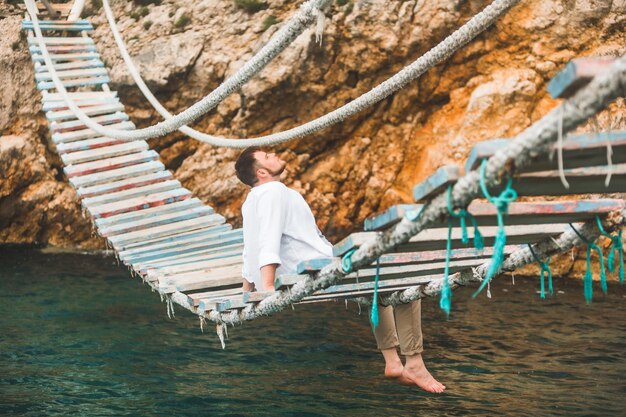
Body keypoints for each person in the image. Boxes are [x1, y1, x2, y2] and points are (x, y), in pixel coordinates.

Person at [234, 147, 445, 393]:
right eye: (268, 157)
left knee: (376, 286)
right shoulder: (274, 192)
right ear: (261, 172)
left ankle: (393, 363)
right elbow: (268, 239)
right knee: (405, 278)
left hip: (308, 270)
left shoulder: (252, 199)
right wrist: (269, 288)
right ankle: (415, 362)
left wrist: (248, 288)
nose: (274, 154)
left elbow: (250, 246)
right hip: (314, 270)